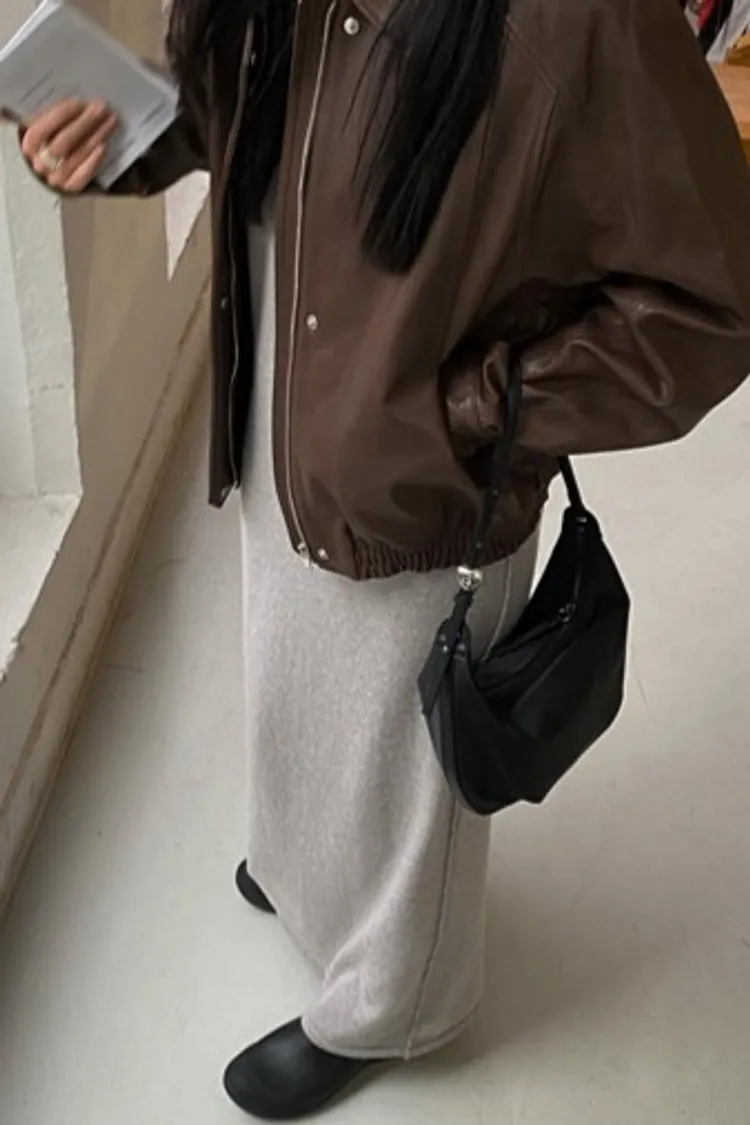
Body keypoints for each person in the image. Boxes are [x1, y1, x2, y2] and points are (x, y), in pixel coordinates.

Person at [12, 0, 750, 1118]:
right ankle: (304, 868)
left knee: (407, 754)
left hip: (421, 459)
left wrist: (467, 415)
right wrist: (109, 139)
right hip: (282, 387)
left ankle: (397, 1004)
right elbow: (233, 116)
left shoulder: (584, 19)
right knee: (292, 660)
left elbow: (711, 306)